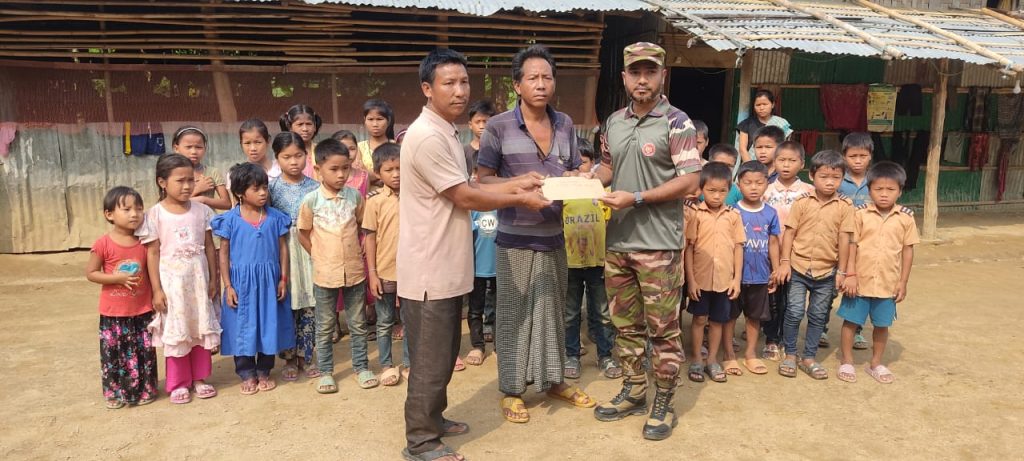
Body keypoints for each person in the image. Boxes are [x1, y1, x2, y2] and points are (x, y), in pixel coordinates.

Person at [399, 47, 548, 461]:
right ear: (427, 88)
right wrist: (520, 198)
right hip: (429, 268)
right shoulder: (427, 136)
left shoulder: (446, 131)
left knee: (445, 352)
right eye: (448, 83)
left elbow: (470, 184)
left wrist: (517, 183)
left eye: (464, 81)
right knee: (430, 360)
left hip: (446, 265)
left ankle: (434, 418)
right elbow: (465, 196)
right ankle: (421, 441)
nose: (460, 91)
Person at [477, 44, 594, 424]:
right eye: (532, 78)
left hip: (554, 235)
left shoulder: (565, 124)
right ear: (517, 85)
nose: (541, 84)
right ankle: (512, 390)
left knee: (553, 311)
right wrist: (517, 187)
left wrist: (577, 177)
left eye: (547, 77)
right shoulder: (498, 127)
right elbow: (483, 181)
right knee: (514, 314)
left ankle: (554, 381)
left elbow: (575, 169)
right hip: (514, 236)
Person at [592, 42, 701, 441]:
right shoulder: (613, 122)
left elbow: (690, 181)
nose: (642, 80)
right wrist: (584, 180)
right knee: (625, 325)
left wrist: (636, 197)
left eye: (650, 72)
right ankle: (635, 389)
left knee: (663, 329)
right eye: (635, 72)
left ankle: (664, 400)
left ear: (662, 76)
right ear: (624, 77)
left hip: (658, 245)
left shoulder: (677, 122)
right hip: (618, 242)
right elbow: (608, 168)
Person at [138, 154, 221, 404]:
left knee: (198, 327)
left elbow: (209, 246)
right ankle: (178, 383)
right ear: (162, 182)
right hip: (172, 285)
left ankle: (200, 378)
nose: (187, 186)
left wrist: (213, 280)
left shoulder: (202, 211)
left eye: (190, 180)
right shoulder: (154, 215)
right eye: (180, 181)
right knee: (178, 329)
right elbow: (152, 253)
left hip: (198, 282)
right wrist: (156, 289)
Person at [296, 139, 374, 393]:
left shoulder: (355, 197)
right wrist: (318, 255)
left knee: (358, 323)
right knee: (325, 325)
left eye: (345, 168)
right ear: (318, 170)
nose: (341, 175)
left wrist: (360, 248)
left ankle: (361, 367)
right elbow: (303, 233)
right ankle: (326, 372)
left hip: (354, 272)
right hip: (325, 274)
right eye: (334, 169)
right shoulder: (311, 200)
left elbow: (363, 225)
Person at [213, 163, 294, 395]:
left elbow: (283, 249)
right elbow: (223, 254)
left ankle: (264, 370)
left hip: (269, 282)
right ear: (240, 192)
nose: (263, 193)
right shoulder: (229, 220)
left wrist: (283, 279)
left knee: (268, 324)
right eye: (256, 189)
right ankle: (247, 372)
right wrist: (228, 286)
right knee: (242, 327)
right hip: (241, 284)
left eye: (265, 188)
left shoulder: (275, 218)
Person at [774, 150, 853, 380]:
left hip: (826, 271)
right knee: (794, 311)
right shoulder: (802, 202)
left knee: (818, 315)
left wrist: (842, 271)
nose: (829, 182)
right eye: (824, 177)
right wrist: (785, 262)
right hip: (798, 267)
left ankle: (809, 357)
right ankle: (790, 354)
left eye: (836, 177)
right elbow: (789, 233)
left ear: (842, 179)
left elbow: (845, 240)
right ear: (812, 176)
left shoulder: (845, 206)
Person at [837, 161, 918, 384]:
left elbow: (908, 251)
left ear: (900, 191)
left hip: (887, 283)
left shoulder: (906, 218)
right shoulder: (860, 214)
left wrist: (903, 282)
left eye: (890, 189)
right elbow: (852, 244)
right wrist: (850, 274)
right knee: (851, 322)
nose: (884, 194)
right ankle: (847, 360)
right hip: (859, 281)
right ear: (869, 189)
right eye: (878, 189)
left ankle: (876, 363)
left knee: (882, 324)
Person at [86, 186, 158, 409]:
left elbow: (152, 272)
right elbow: (91, 273)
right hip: (113, 313)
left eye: (139, 208)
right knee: (114, 355)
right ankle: (115, 393)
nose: (134, 214)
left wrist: (157, 294)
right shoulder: (103, 244)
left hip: (142, 309)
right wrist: (117, 278)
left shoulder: (145, 243)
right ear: (109, 214)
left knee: (144, 352)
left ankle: (146, 389)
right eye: (126, 209)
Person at [562, 137, 620, 380]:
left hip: (597, 262)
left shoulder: (602, 191)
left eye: (583, 162)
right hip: (570, 263)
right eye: (573, 164)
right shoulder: (562, 193)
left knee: (603, 312)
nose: (579, 169)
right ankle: (571, 356)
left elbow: (610, 223)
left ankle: (605, 356)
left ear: (594, 163)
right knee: (570, 312)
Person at [684, 162, 745, 384]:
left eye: (722, 191)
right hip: (700, 279)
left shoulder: (734, 216)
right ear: (701, 189)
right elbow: (689, 249)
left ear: (729, 191)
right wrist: (691, 281)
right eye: (711, 190)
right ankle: (696, 359)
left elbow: (738, 247)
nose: (717, 196)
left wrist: (736, 280)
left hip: (724, 280)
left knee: (718, 321)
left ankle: (712, 360)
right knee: (699, 318)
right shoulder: (696, 215)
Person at [268, 132, 321, 381]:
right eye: (286, 157)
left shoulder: (315, 187)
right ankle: (289, 357)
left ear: (306, 155)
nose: (293, 162)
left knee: (310, 302)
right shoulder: (271, 188)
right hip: (283, 251)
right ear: (277, 158)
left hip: (309, 247)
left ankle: (306, 355)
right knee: (286, 304)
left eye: (298, 155)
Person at [760, 141, 815, 361]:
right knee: (772, 298)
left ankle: (786, 339)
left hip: (797, 255)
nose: (786, 165)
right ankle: (771, 338)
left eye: (792, 161)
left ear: (802, 164)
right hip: (768, 253)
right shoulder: (765, 189)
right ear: (774, 162)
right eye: (781, 160)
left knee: (792, 301)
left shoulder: (809, 192)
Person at [728, 161, 780, 376]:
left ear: (767, 184)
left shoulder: (771, 213)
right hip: (734, 276)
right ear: (738, 184)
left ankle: (750, 353)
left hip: (760, 275)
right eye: (748, 182)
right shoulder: (732, 211)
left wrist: (775, 270)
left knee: (754, 317)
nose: (753, 187)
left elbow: (773, 243)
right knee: (729, 316)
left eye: (759, 183)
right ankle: (729, 355)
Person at [362, 142, 408, 386]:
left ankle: (409, 363)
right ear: (378, 173)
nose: (396, 174)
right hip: (384, 270)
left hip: (412, 271)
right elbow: (369, 238)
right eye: (389, 170)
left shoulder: (415, 196)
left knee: (411, 321)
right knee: (385, 321)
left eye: (400, 168)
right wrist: (372, 273)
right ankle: (387, 365)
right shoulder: (375, 201)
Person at [837, 132, 875, 351]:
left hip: (865, 243)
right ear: (844, 156)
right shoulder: (838, 180)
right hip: (839, 241)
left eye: (863, 156)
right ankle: (822, 326)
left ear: (870, 156)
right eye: (853, 156)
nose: (858, 161)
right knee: (832, 285)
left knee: (859, 286)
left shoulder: (875, 181)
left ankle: (857, 329)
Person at [466, 206, 497, 366]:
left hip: (500, 268)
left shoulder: (503, 204)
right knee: (475, 311)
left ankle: (500, 347)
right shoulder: (474, 207)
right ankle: (478, 346)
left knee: (501, 311)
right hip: (476, 268)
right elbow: (467, 236)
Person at [172, 126, 230, 210]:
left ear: (205, 149)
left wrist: (203, 200)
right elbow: (172, 204)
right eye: (188, 147)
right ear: (176, 148)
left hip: (207, 218)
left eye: (199, 147)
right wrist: (197, 189)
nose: (194, 152)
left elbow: (227, 204)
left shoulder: (212, 172)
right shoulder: (171, 173)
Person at [229, 119, 281, 206]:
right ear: (241, 144)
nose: (253, 148)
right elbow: (237, 205)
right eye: (247, 143)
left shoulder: (281, 169)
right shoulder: (237, 173)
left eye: (258, 142)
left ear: (268, 140)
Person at [736, 89, 792, 162]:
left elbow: (785, 148)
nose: (761, 108)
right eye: (758, 105)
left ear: (772, 105)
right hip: (752, 164)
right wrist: (751, 167)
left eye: (765, 104)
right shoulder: (746, 124)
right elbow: (742, 149)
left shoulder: (781, 123)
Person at [358, 99, 396, 187]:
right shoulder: (358, 148)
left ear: (388, 121)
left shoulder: (396, 146)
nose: (375, 124)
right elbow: (358, 175)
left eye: (379, 119)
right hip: (366, 195)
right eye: (370, 119)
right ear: (365, 120)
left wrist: (369, 175)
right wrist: (385, 176)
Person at [279, 104, 322, 178]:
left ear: (315, 127)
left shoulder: (321, 150)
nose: (305, 129)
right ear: (290, 127)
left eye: (309, 124)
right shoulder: (284, 152)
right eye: (300, 124)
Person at [332, 130, 372, 198]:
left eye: (352, 149)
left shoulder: (363, 176)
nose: (348, 153)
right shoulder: (327, 175)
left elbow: (366, 201)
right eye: (342, 148)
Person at [464, 99, 497, 177]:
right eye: (477, 122)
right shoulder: (463, 152)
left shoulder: (498, 150)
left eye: (485, 121)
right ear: (470, 125)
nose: (481, 126)